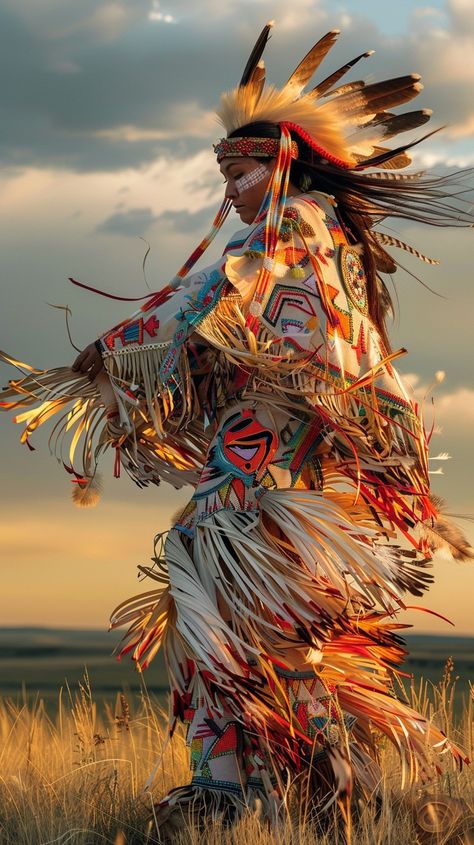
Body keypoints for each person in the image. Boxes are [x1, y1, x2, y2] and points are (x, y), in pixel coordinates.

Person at [1, 23, 472, 838]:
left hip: (281, 452)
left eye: (241, 167)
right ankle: (287, 787)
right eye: (224, 170)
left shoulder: (298, 228)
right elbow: (225, 312)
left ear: (281, 161)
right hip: (269, 448)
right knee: (237, 616)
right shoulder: (297, 234)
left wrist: (116, 350)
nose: (231, 184)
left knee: (232, 602)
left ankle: (280, 789)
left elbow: (223, 308)